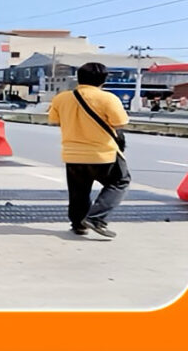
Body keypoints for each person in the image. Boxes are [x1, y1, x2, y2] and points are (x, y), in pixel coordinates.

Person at [48, 62, 130, 238]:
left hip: (72, 153)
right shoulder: (108, 98)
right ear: (104, 80)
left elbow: (54, 120)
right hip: (103, 153)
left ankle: (78, 224)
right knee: (120, 181)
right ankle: (96, 218)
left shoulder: (61, 98)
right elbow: (120, 123)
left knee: (79, 190)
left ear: (79, 78)